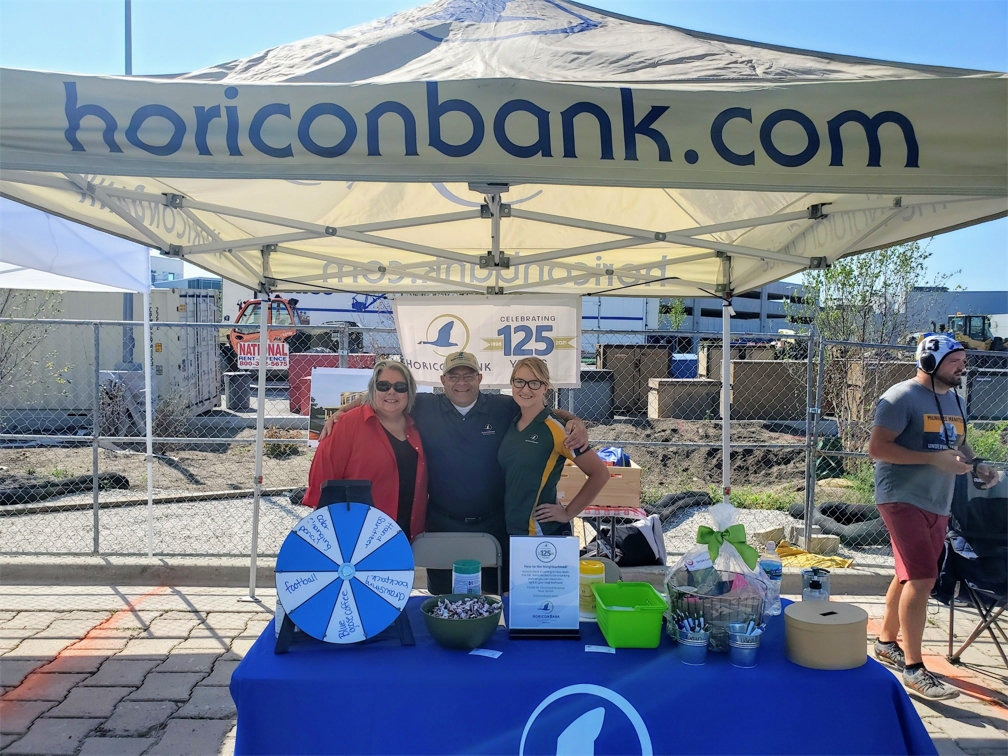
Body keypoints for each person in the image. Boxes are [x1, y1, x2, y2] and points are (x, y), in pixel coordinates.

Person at [319, 351, 588, 593]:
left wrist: (574, 420)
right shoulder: (425, 405)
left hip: (493, 525)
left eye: (468, 375)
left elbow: (542, 409)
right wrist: (342, 411)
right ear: (443, 379)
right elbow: (384, 397)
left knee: (494, 598)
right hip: (441, 524)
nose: (461, 382)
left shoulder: (502, 407)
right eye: (454, 375)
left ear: (480, 378)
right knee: (445, 599)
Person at [868, 333, 997, 700]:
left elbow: (957, 443)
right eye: (956, 362)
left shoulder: (955, 399)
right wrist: (930, 458)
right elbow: (877, 448)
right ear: (930, 362)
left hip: (937, 502)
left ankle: (886, 642)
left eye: (962, 362)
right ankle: (913, 667)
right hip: (900, 497)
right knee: (924, 578)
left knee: (907, 575)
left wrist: (978, 466)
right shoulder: (899, 397)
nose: (963, 368)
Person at [304, 360, 427, 540]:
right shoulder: (346, 425)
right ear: (373, 389)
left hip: (406, 535)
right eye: (383, 385)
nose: (391, 391)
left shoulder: (418, 423)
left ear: (409, 391)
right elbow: (322, 481)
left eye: (400, 387)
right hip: (359, 536)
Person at [498, 357, 609, 538]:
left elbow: (600, 473)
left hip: (537, 532)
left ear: (545, 387)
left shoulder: (557, 430)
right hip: (508, 527)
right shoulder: (512, 420)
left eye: (534, 383)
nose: (525, 389)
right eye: (519, 382)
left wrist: (567, 513)